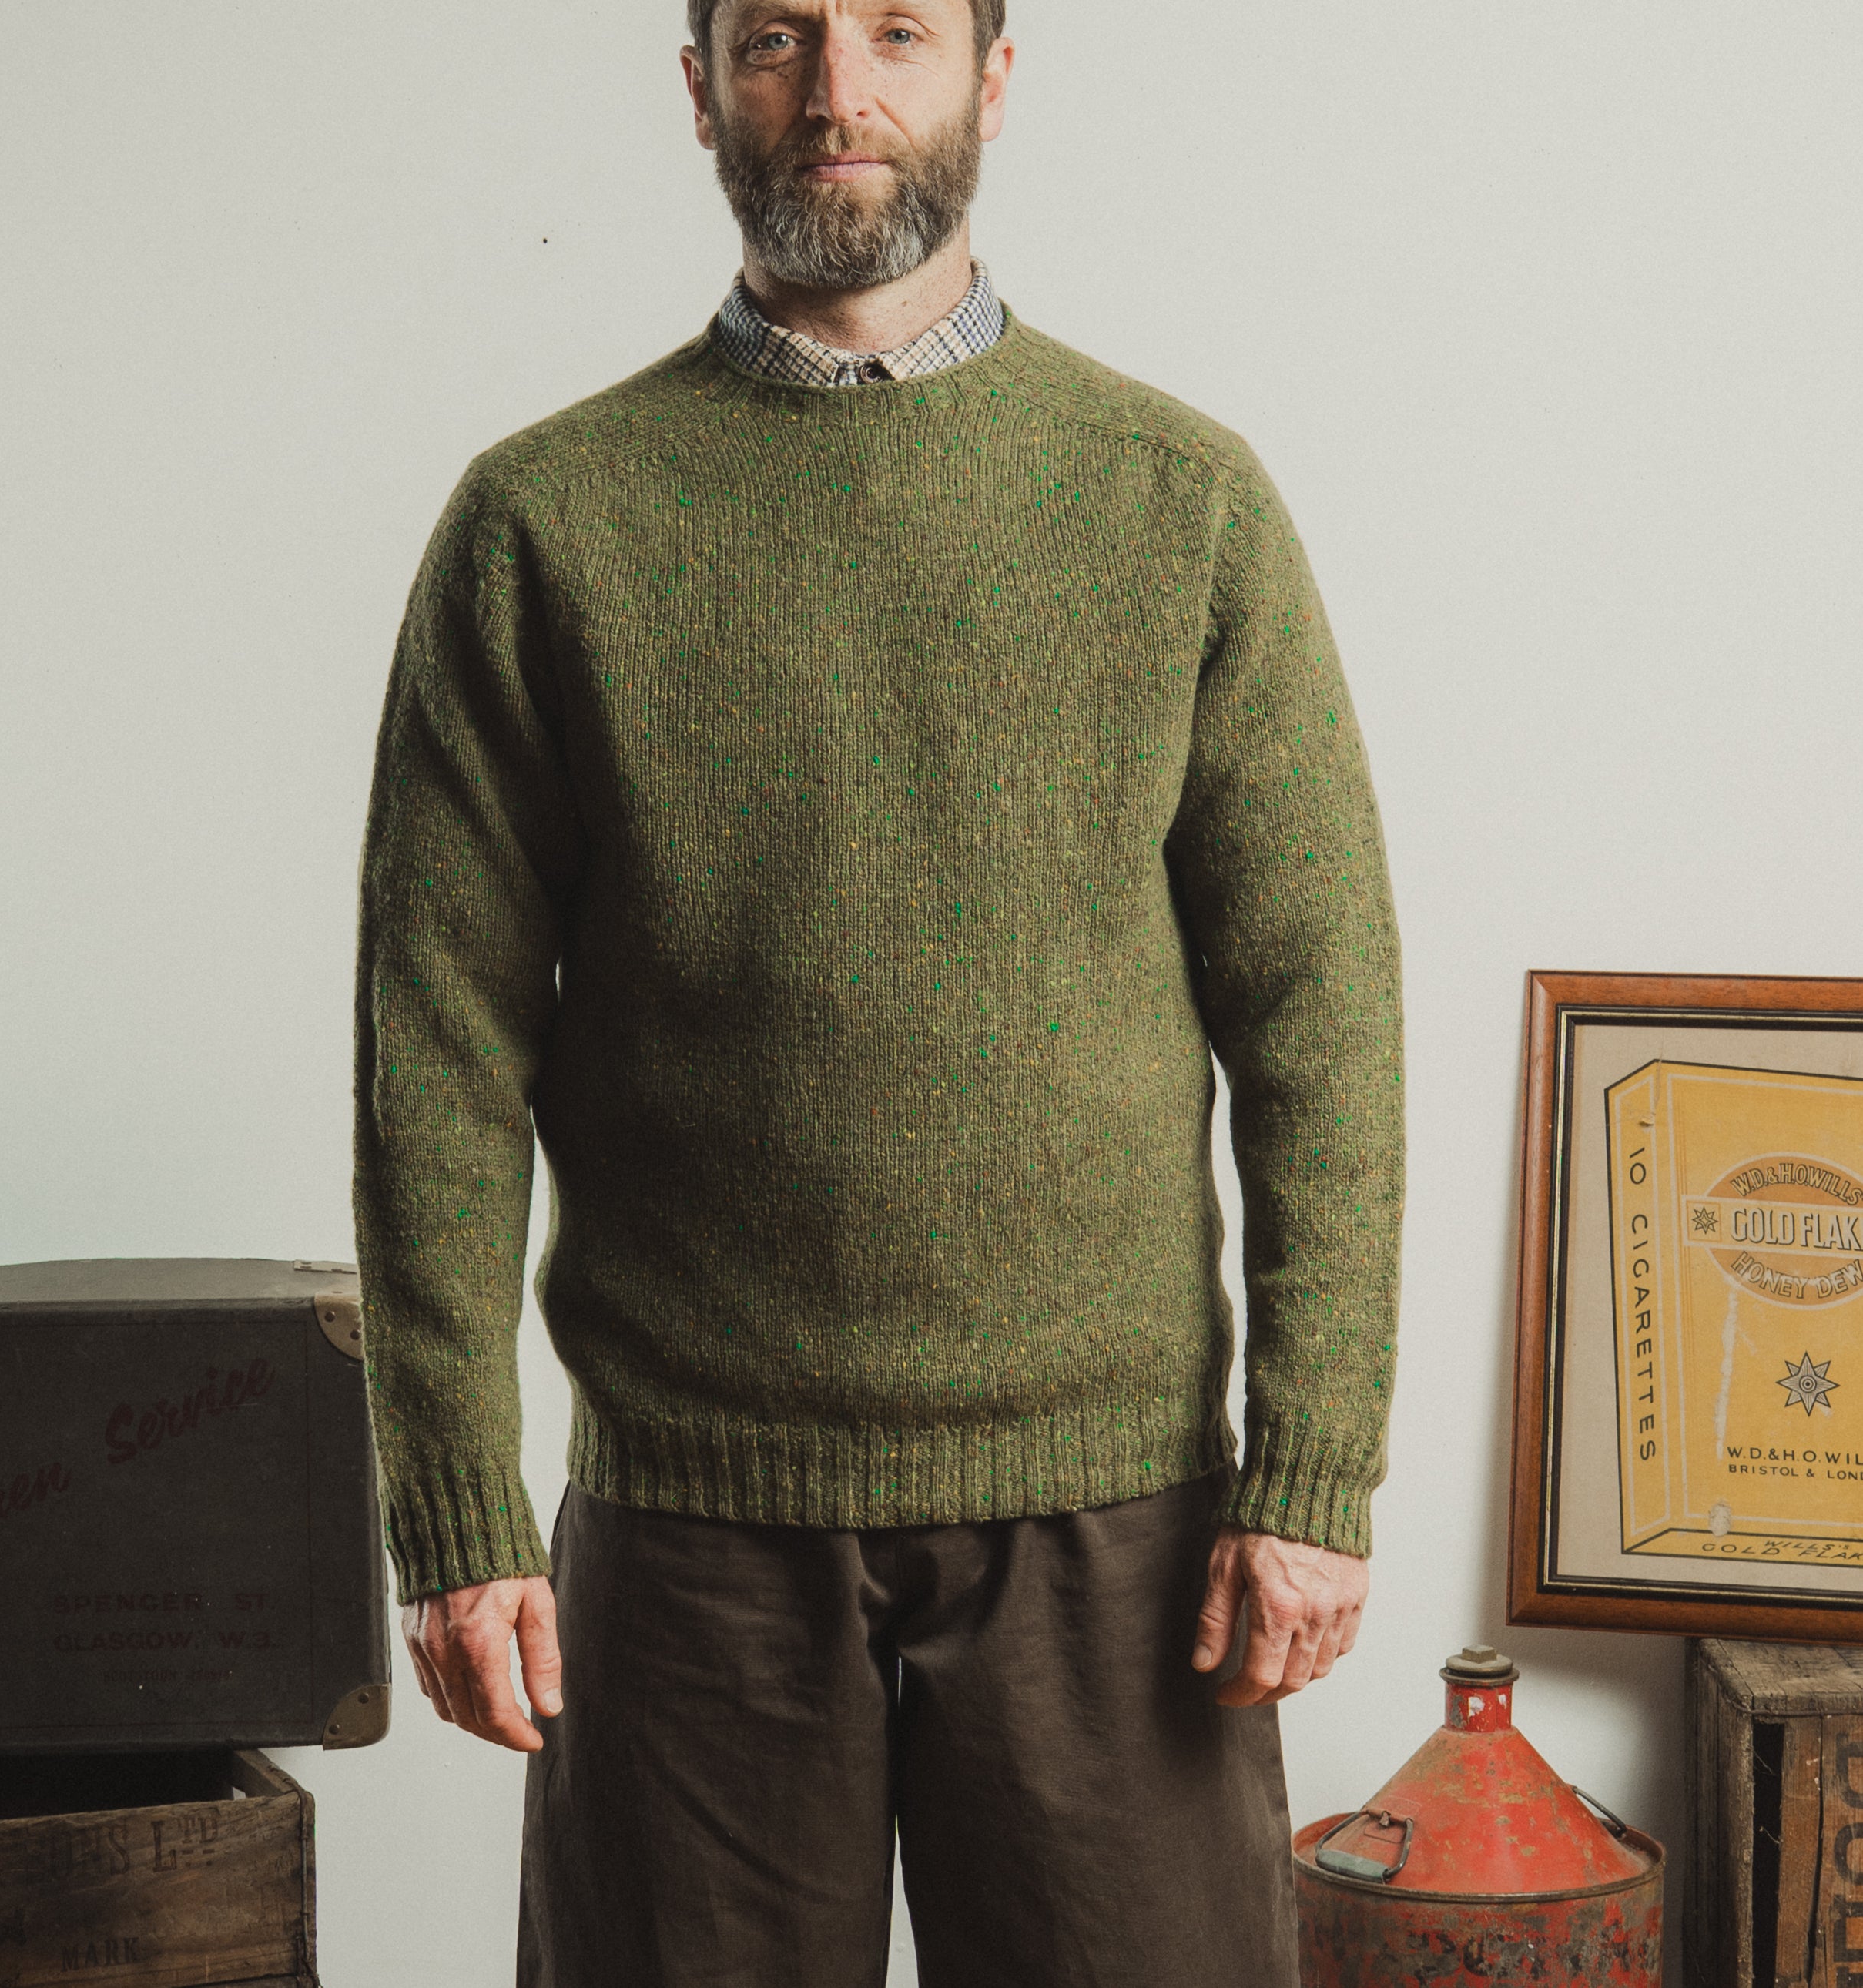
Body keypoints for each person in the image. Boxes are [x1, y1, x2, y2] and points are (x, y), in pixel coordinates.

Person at [350, 2, 1404, 1981]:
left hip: (1121, 1519)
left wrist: (1314, 1465)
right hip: (689, 1520)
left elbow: (1318, 1015)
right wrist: (459, 1506)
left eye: (898, 30)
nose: (838, 92)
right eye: (776, 37)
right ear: (697, 88)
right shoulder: (543, 523)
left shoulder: (1176, 499)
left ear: (993, 77)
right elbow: (436, 1051)